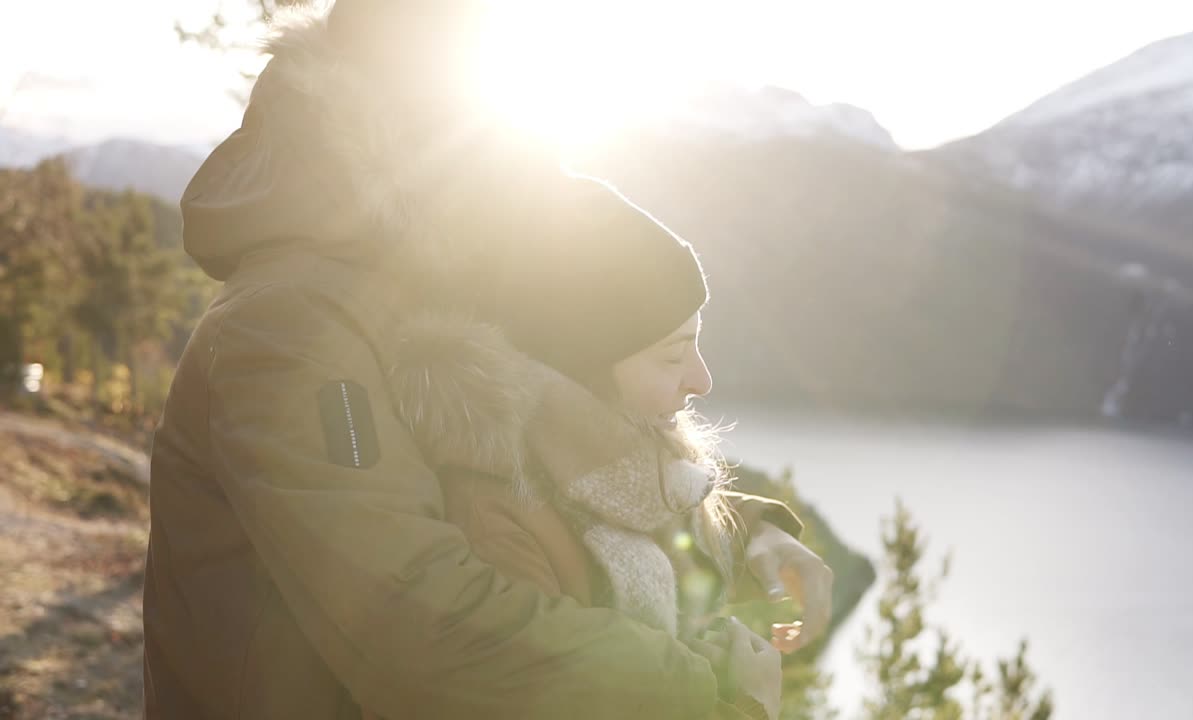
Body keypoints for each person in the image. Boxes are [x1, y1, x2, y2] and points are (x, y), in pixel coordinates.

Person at [142, 2, 833, 719]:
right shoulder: (291, 328)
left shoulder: (435, 270)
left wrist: (749, 532)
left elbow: (575, 465)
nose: (536, 180)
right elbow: (419, 626)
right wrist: (702, 694)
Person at [386, 170, 790, 719]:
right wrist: (750, 704)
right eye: (672, 356)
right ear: (582, 370)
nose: (701, 379)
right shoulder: (496, 525)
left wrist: (762, 533)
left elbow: (665, 539)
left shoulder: (630, 468)